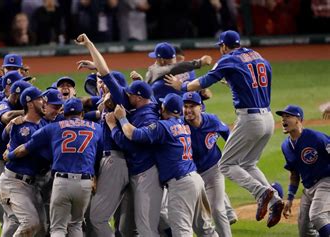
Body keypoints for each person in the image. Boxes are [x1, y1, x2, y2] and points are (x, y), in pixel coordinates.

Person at [167, 30, 284, 228]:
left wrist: (182, 86)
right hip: (268, 118)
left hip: (250, 119)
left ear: (223, 46)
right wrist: (233, 83)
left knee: (226, 165)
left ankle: (262, 192)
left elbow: (203, 82)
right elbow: (256, 85)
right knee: (248, 164)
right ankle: (275, 200)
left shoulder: (228, 59)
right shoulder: (258, 57)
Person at [77, 33, 161, 236]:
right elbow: (104, 76)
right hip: (131, 166)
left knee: (97, 218)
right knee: (131, 226)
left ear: (137, 97)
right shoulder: (147, 105)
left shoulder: (126, 105)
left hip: (119, 163)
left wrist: (89, 44)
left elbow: (106, 73)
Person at [106, 93, 217, 237]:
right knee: (205, 229)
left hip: (181, 184)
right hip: (196, 180)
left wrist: (120, 119)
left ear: (164, 108)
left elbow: (132, 134)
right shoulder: (184, 124)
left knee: (181, 232)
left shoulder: (163, 127)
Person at [11, 98, 103, 237]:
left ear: (63, 113)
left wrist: (10, 155)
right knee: (76, 224)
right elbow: (99, 154)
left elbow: (25, 148)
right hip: (85, 182)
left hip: (62, 182)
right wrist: (95, 176)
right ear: (82, 113)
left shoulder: (53, 127)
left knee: (58, 228)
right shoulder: (97, 128)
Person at [182, 92, 233, 237]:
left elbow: (228, 135)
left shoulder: (212, 120)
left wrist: (232, 156)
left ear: (201, 107)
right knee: (195, 217)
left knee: (217, 209)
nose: (188, 110)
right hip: (191, 175)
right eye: (185, 106)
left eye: (192, 106)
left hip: (213, 170)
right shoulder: (180, 125)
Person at [0, 86, 49, 237]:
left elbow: (4, 136)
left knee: (41, 229)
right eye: (40, 99)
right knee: (30, 223)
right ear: (29, 103)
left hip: (30, 184)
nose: (44, 101)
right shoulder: (23, 128)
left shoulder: (41, 123)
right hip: (15, 183)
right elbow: (42, 154)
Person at [276, 105, 330, 237]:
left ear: (298, 119)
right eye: (282, 117)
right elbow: (294, 173)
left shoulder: (316, 138)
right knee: (305, 232)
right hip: (308, 188)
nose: (283, 120)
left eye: (288, 116)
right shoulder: (285, 146)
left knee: (317, 216)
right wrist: (289, 198)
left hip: (326, 182)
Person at [0, 72, 27, 236]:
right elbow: (6, 117)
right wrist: (26, 111)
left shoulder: (14, 105)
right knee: (12, 215)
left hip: (10, 165)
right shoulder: (1, 105)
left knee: (15, 215)